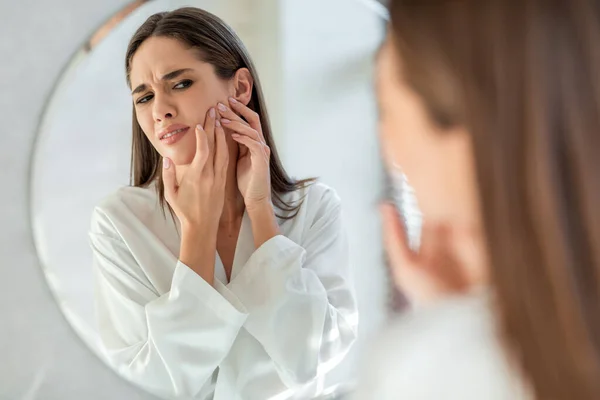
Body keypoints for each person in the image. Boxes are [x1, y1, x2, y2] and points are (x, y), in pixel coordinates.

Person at [88, 7, 357, 400]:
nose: (159, 109)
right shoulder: (120, 223)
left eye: (179, 84)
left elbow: (311, 360)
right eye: (144, 96)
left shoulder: (313, 208)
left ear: (240, 88)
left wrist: (261, 210)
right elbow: (149, 385)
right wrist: (197, 231)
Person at [354, 0, 600, 399]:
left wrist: (451, 328)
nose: (387, 148)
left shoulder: (429, 372)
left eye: (386, 112)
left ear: (463, 130)